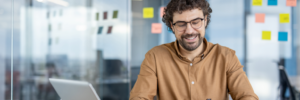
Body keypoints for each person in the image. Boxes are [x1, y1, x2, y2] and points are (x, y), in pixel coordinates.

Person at [130, 0, 259, 100]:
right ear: (172, 26)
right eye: (181, 24)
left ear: (205, 20)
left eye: (196, 22)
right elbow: (139, 97)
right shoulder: (155, 57)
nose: (189, 31)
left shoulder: (226, 56)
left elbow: (247, 96)